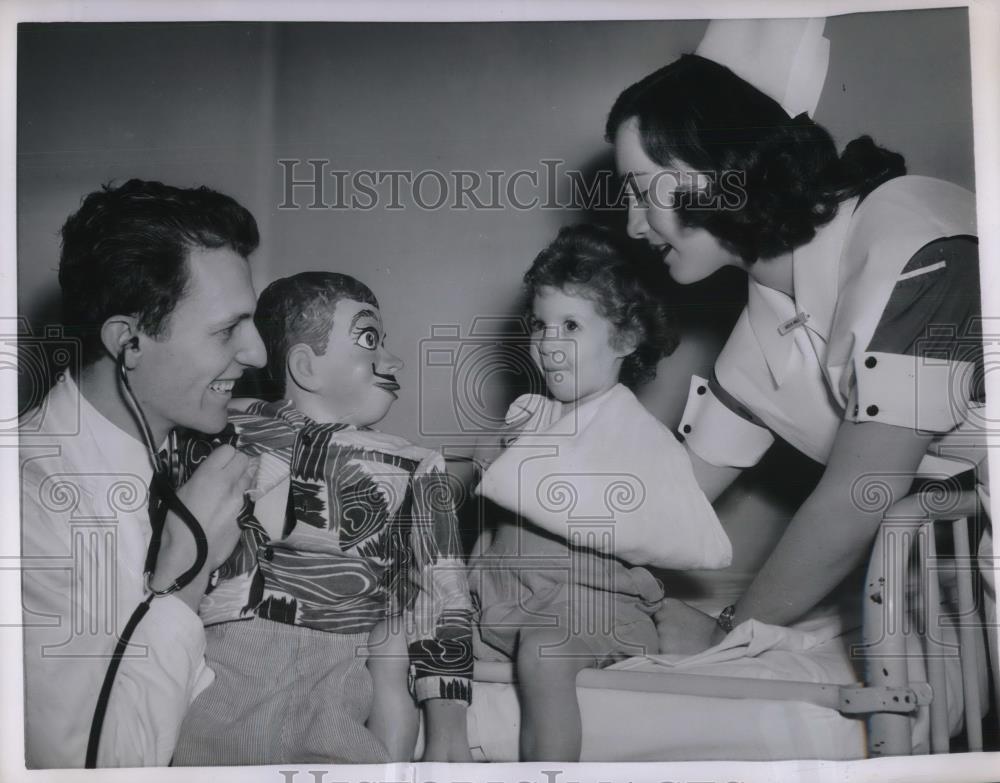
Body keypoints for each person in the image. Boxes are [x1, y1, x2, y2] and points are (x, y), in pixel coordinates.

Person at [606, 54, 983, 653]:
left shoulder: (917, 244)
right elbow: (668, 501)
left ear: (711, 172)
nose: (631, 225)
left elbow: (862, 493)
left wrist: (728, 632)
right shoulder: (767, 315)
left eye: (638, 191)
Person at [171, 272, 474, 765]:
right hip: (221, 667)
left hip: (345, 669)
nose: (394, 361)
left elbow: (442, 596)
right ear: (305, 365)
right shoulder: (218, 433)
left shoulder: (416, 466)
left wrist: (448, 734)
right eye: (370, 340)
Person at [20, 179, 267, 767]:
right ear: (128, 341)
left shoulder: (172, 454)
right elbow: (94, 768)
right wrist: (187, 574)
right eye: (226, 329)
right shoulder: (29, 505)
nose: (258, 353)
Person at [470, 224, 726, 761]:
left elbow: (654, 531)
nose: (549, 343)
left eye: (571, 325)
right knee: (415, 635)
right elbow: (495, 523)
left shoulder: (633, 435)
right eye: (540, 325)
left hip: (591, 610)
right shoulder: (527, 418)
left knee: (544, 651)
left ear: (626, 339)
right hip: (505, 602)